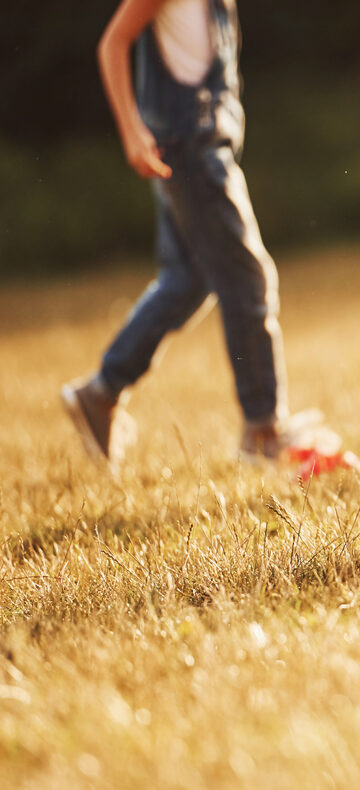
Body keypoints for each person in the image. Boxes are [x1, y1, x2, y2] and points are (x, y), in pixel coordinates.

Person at [62, 0, 325, 468]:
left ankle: (100, 394)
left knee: (187, 280)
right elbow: (113, 43)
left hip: (201, 147)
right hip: (190, 153)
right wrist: (132, 131)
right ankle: (263, 429)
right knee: (248, 280)